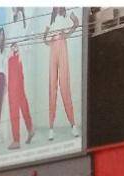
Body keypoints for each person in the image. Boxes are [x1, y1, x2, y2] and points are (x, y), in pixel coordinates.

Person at [44, 7, 80, 140]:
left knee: (64, 86)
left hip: (62, 45)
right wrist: (48, 40)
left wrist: (68, 33)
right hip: (53, 47)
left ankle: (73, 125)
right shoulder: (51, 16)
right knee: (52, 87)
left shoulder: (67, 11)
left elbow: (76, 22)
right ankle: (51, 128)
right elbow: (44, 37)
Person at [7, 8, 34, 149]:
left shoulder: (19, 25)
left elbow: (21, 44)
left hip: (16, 62)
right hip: (14, 63)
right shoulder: (15, 24)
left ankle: (17, 139)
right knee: (22, 100)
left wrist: (16, 49)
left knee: (14, 103)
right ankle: (30, 129)